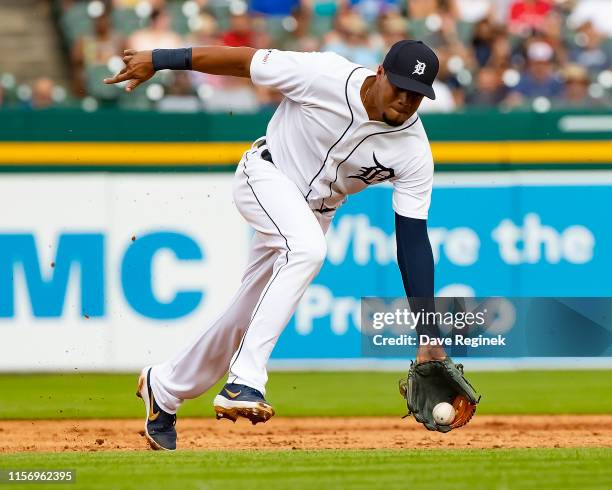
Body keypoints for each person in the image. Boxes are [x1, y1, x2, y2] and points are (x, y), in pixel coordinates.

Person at [104, 39, 446, 450]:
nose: (407, 100)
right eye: (401, 87)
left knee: (245, 316)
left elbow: (412, 241)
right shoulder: (323, 75)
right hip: (266, 177)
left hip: (313, 213)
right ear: (379, 73)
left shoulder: (414, 151)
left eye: (418, 94)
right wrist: (160, 60)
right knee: (308, 251)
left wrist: (427, 331)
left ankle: (165, 386)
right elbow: (242, 61)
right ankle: (244, 382)